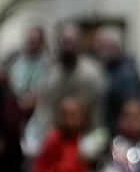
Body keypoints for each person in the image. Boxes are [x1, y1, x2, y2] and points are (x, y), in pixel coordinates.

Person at [20, 24, 103, 161]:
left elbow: (95, 112)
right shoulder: (52, 74)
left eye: (72, 42)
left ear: (79, 44)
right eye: (65, 42)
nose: (68, 47)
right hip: (53, 138)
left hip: (81, 139)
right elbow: (44, 109)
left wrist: (92, 141)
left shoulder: (91, 75)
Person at [95, 25, 140, 130]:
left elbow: (131, 109)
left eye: (102, 45)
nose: (97, 48)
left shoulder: (127, 72)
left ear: (115, 46)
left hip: (119, 132)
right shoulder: (104, 67)